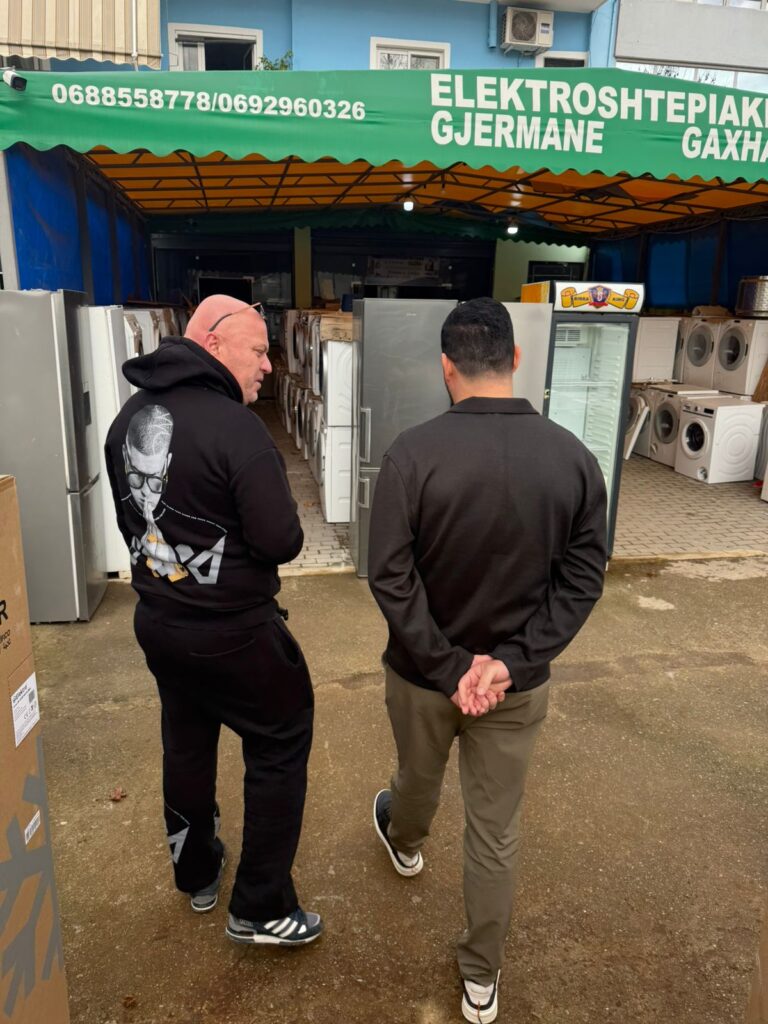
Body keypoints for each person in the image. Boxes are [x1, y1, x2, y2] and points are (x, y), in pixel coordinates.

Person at [367, 297, 607, 1023]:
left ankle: (406, 843)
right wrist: (509, 662)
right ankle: (481, 978)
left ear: (447, 368)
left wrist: (448, 667)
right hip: (516, 688)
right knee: (495, 832)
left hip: (421, 677)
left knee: (416, 781)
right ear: (516, 359)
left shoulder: (411, 454)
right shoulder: (573, 458)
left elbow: (390, 576)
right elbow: (583, 577)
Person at [105, 295, 322, 947]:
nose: (268, 364)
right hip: (236, 635)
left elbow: (131, 524)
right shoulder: (237, 429)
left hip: (160, 624)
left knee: (187, 743)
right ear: (214, 342)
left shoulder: (126, 419)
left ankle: (196, 871)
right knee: (280, 742)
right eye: (258, 350)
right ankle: (260, 907)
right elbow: (282, 540)